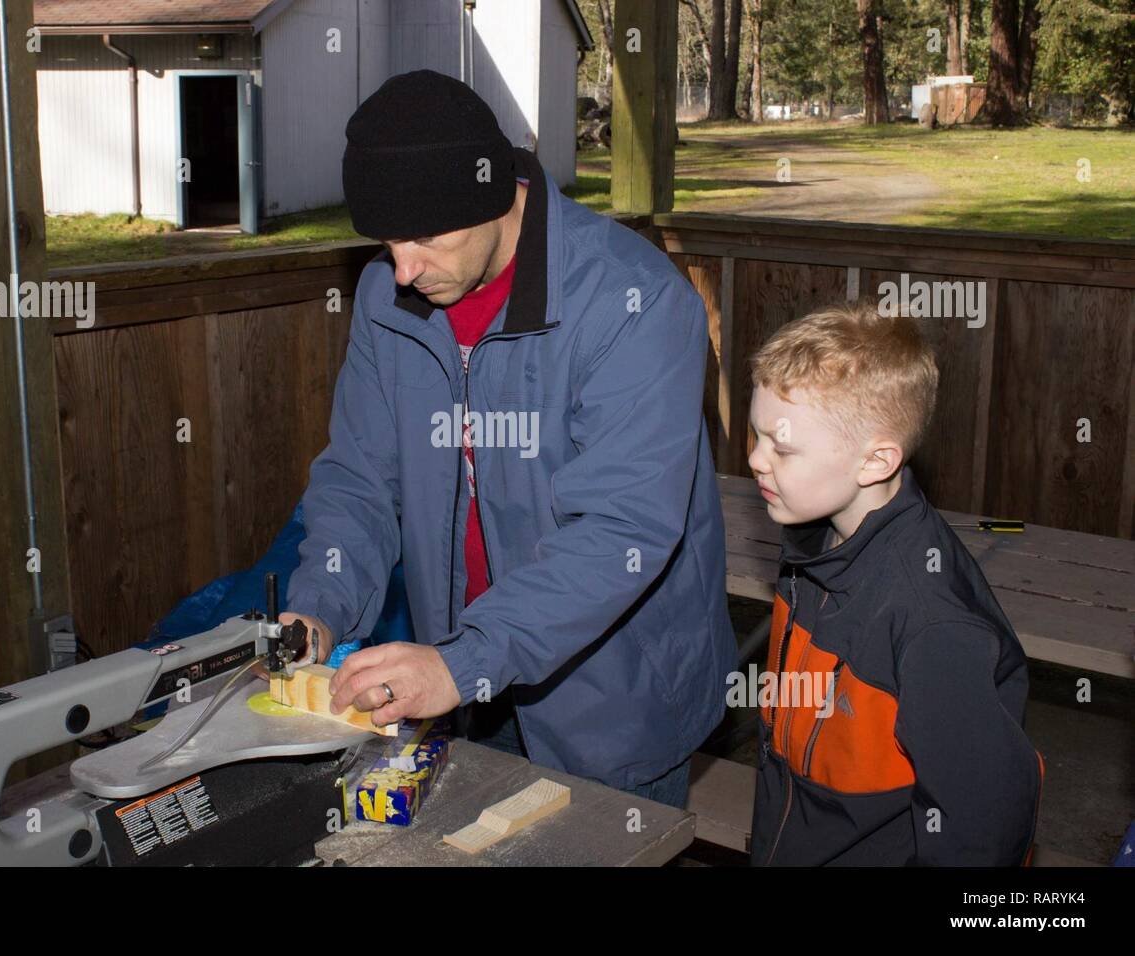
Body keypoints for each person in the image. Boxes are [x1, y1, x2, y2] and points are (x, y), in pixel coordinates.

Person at [277, 70, 735, 807]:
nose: (403, 268)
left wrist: (465, 659)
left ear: (496, 198)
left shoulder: (633, 299)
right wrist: (319, 606)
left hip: (610, 695)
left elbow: (621, 526)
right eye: (387, 240)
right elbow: (361, 475)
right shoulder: (384, 296)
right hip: (461, 684)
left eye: (427, 237)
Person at [746, 299, 1044, 864]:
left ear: (875, 462)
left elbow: (982, 829)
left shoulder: (933, 625)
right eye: (758, 435)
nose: (757, 460)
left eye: (781, 446)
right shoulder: (814, 540)